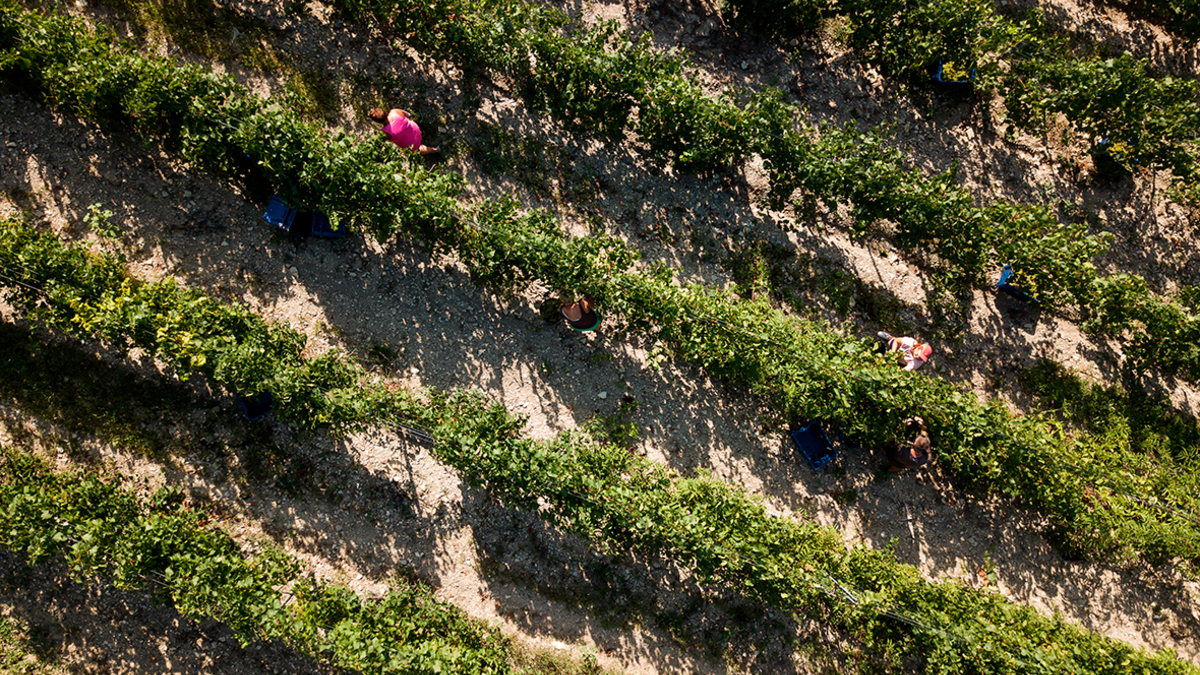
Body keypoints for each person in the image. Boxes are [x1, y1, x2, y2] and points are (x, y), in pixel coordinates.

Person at [367, 107, 440, 155]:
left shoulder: (385, 132)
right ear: (385, 112)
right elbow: (408, 114)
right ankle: (433, 147)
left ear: (378, 122)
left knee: (418, 150)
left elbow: (388, 140)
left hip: (411, 144)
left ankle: (435, 150)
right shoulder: (394, 112)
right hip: (415, 129)